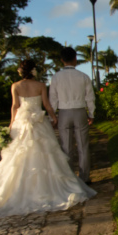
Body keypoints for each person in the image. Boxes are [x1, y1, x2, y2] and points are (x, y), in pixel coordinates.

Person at [0, 60, 96, 219]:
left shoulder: (15, 86)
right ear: (34, 71)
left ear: (20, 72)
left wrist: (12, 123)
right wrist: (53, 117)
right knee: (47, 152)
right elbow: (47, 105)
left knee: (20, 155)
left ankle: (21, 188)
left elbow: (14, 106)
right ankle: (53, 185)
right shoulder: (40, 85)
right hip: (39, 122)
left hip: (22, 121)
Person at [48, 46, 96, 184]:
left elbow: (53, 99)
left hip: (63, 113)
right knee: (83, 146)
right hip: (80, 111)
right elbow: (90, 98)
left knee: (66, 147)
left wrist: (53, 117)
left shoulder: (56, 77)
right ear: (75, 59)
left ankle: (69, 179)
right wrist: (91, 114)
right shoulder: (83, 76)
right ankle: (84, 178)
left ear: (62, 60)